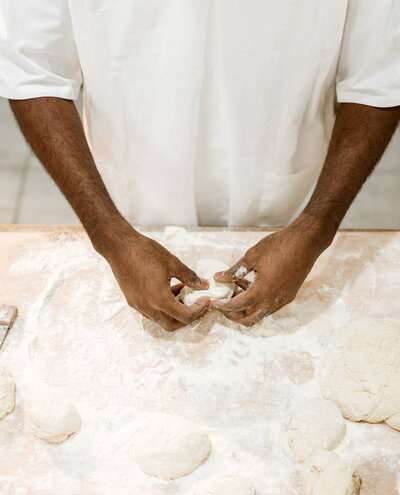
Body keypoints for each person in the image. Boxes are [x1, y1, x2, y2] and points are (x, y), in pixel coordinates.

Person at [1, 1, 399, 331]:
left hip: (287, 202)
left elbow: (379, 75)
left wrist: (315, 227)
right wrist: (110, 235)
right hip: (131, 202)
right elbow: (36, 72)